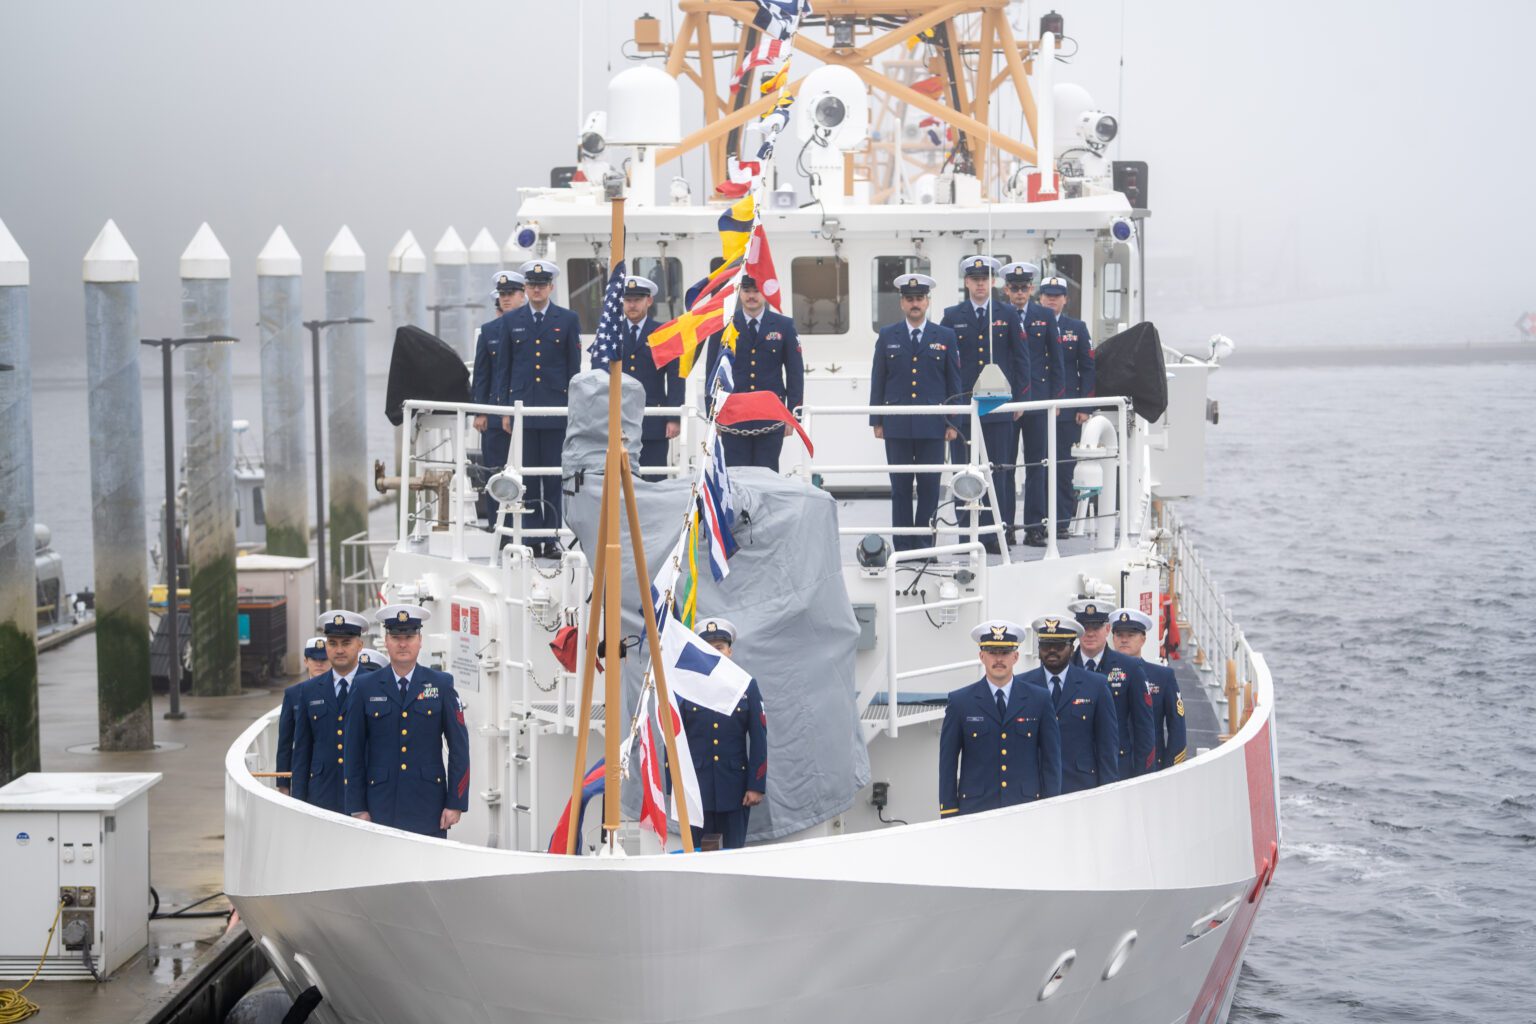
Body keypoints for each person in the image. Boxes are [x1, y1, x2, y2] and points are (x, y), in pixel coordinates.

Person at [343, 604, 471, 838]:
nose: (403, 643)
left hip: (429, 806)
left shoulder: (441, 685)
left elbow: (459, 749)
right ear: (386, 641)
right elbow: (353, 751)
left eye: (409, 636)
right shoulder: (364, 687)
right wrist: (357, 806)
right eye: (396, 637)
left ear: (420, 640)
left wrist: (455, 802)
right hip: (379, 805)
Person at [492, 259, 583, 558]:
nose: (536, 289)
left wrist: (574, 409)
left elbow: (574, 369)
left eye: (541, 285)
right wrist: (505, 411)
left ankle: (551, 537)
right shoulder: (511, 321)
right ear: (527, 287)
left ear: (551, 287)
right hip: (523, 410)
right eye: (531, 285)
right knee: (527, 479)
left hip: (556, 409)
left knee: (554, 478)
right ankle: (530, 538)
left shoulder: (567, 319)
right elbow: (503, 370)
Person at [939, 256, 1029, 553]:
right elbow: (944, 363)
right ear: (966, 282)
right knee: (965, 473)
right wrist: (949, 409)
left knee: (999, 473)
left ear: (993, 282)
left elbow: (1020, 359)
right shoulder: (952, 315)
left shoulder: (1008, 314)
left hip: (998, 407)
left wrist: (1020, 399)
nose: (980, 283)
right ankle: (967, 536)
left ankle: (995, 535)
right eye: (974, 278)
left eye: (985, 278)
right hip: (964, 408)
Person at [869, 274, 962, 553]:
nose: (915, 303)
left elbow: (953, 382)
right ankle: (903, 545)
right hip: (896, 425)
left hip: (933, 426)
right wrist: (876, 420)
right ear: (902, 303)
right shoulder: (887, 335)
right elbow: (879, 379)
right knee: (899, 488)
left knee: (930, 488)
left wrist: (953, 422)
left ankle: (924, 546)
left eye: (919, 299)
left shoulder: (944, 336)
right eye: (909, 299)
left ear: (927, 302)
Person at [938, 619, 1061, 817]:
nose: (998, 659)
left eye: (1004, 653)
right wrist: (949, 811)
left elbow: (1051, 761)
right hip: (976, 811)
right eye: (992, 652)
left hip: (1026, 809)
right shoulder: (960, 702)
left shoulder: (1039, 699)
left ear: (1015, 656)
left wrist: (1052, 807)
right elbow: (948, 763)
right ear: (981, 656)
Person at [678, 618, 766, 850]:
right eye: (707, 648)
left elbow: (758, 738)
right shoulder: (685, 687)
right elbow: (674, 738)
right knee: (696, 857)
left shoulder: (747, 687)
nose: (714, 652)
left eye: (719, 648)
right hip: (696, 791)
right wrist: (675, 787)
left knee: (733, 856)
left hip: (735, 790)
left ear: (730, 652)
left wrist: (756, 785)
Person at [703, 275, 804, 471]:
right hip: (733, 415)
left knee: (768, 475)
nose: (751, 296)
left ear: (765, 293)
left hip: (770, 415)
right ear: (739, 292)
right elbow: (712, 372)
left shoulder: (784, 325)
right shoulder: (724, 326)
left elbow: (795, 374)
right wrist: (712, 414)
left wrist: (793, 414)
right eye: (747, 291)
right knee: (735, 476)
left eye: (756, 291)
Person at [589, 275, 681, 480]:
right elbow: (597, 376)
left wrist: (673, 417)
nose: (632, 304)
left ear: (648, 301)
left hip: (652, 420)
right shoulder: (609, 333)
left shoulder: (662, 333)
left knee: (653, 480)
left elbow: (675, 378)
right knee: (617, 482)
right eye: (628, 300)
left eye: (637, 299)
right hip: (615, 418)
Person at [1017, 615, 1118, 793]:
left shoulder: (1096, 685)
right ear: (1039, 648)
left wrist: (1108, 793)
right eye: (1047, 645)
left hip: (1081, 787)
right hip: (1033, 790)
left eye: (1059, 645)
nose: (1052, 651)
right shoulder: (1021, 686)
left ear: (1071, 649)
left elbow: (1107, 747)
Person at [999, 262, 1063, 547]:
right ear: (1006, 290)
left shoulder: (1045, 316)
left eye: (1024, 288)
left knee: (1038, 466)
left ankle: (1035, 527)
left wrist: (1057, 400)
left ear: (1032, 289)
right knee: (1006, 467)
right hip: (1006, 403)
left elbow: (1057, 360)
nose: (1020, 293)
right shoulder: (998, 315)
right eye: (1014, 288)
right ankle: (1007, 525)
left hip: (1038, 401)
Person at [290, 612, 370, 813]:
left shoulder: (377, 685)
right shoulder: (309, 691)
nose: (339, 649)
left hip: (366, 797)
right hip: (321, 796)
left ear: (359, 645)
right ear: (326, 646)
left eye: (346, 643)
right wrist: (298, 803)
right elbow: (302, 751)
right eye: (333, 643)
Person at [1069, 599, 1155, 779]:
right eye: (1085, 627)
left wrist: (1141, 778)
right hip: (1073, 774)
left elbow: (1144, 729)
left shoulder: (1130, 668)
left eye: (1096, 627)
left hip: (1119, 770)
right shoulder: (1065, 668)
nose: (1090, 633)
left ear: (1107, 629)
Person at [1038, 276, 1094, 538]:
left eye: (1057, 295)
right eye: (1047, 294)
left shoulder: (1077, 328)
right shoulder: (1032, 325)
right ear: (1040, 298)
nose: (1051, 299)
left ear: (1065, 300)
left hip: (1068, 411)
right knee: (1037, 467)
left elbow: (1088, 367)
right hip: (1038, 407)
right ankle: (1037, 522)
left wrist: (1084, 406)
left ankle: (1060, 522)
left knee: (1063, 468)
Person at [471, 270, 525, 523]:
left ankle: (527, 525)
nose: (505, 298)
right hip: (494, 415)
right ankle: (496, 525)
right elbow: (482, 374)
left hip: (525, 415)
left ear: (521, 295)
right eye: (502, 294)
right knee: (495, 472)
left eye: (510, 293)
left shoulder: (531, 328)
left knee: (528, 473)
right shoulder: (489, 331)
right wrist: (480, 411)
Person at [1110, 609, 1187, 770]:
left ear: (1143, 639)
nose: (1124, 640)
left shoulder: (1163, 676)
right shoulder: (1100, 676)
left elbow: (1177, 729)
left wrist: (1170, 770)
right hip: (1112, 767)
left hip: (1151, 767)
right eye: (1119, 635)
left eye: (1130, 635)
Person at [276, 635, 330, 795]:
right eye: (314, 659)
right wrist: (283, 783)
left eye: (324, 659)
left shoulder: (340, 691)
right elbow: (285, 743)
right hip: (302, 768)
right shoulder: (293, 694)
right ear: (306, 661)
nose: (319, 663)